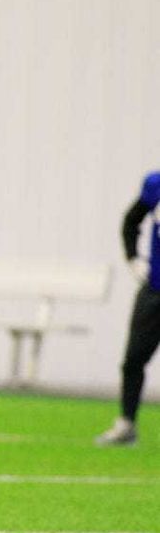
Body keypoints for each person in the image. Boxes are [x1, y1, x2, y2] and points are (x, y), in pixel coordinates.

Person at [97, 171, 160, 445]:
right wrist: (133, 258)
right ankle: (126, 423)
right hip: (155, 289)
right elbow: (131, 221)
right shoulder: (155, 185)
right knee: (134, 358)